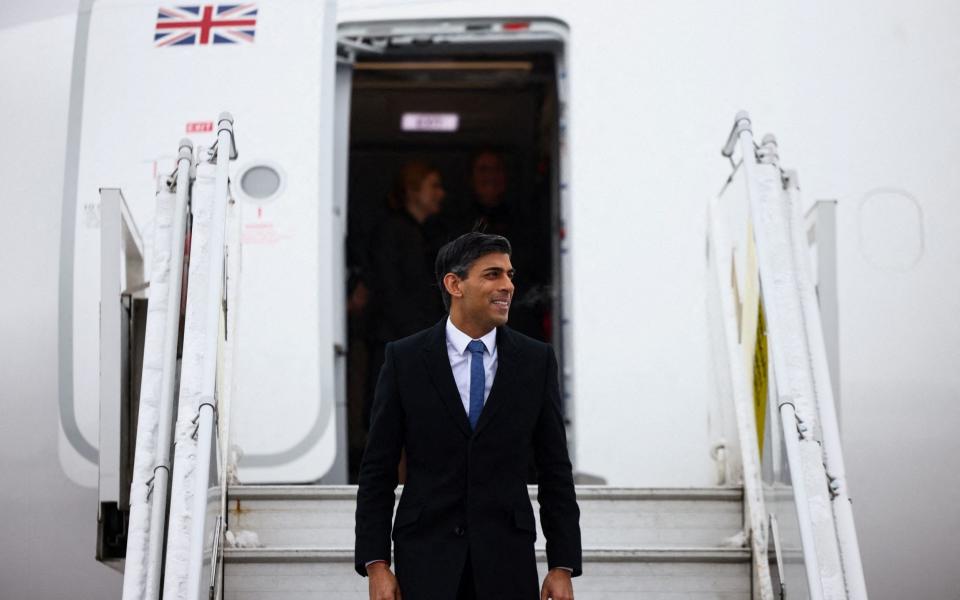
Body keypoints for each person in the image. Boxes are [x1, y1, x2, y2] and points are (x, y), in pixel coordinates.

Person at [354, 232, 582, 600]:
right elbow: (377, 470)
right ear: (454, 284)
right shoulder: (405, 360)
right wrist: (376, 564)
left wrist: (562, 565)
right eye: (493, 274)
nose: (507, 285)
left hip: (507, 561)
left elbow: (555, 469)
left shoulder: (536, 362)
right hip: (425, 560)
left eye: (510, 275)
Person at [362, 160, 448, 430]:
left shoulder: (421, 233)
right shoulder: (393, 232)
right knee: (395, 422)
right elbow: (390, 291)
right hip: (398, 342)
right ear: (412, 191)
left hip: (413, 341)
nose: (441, 193)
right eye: (433, 186)